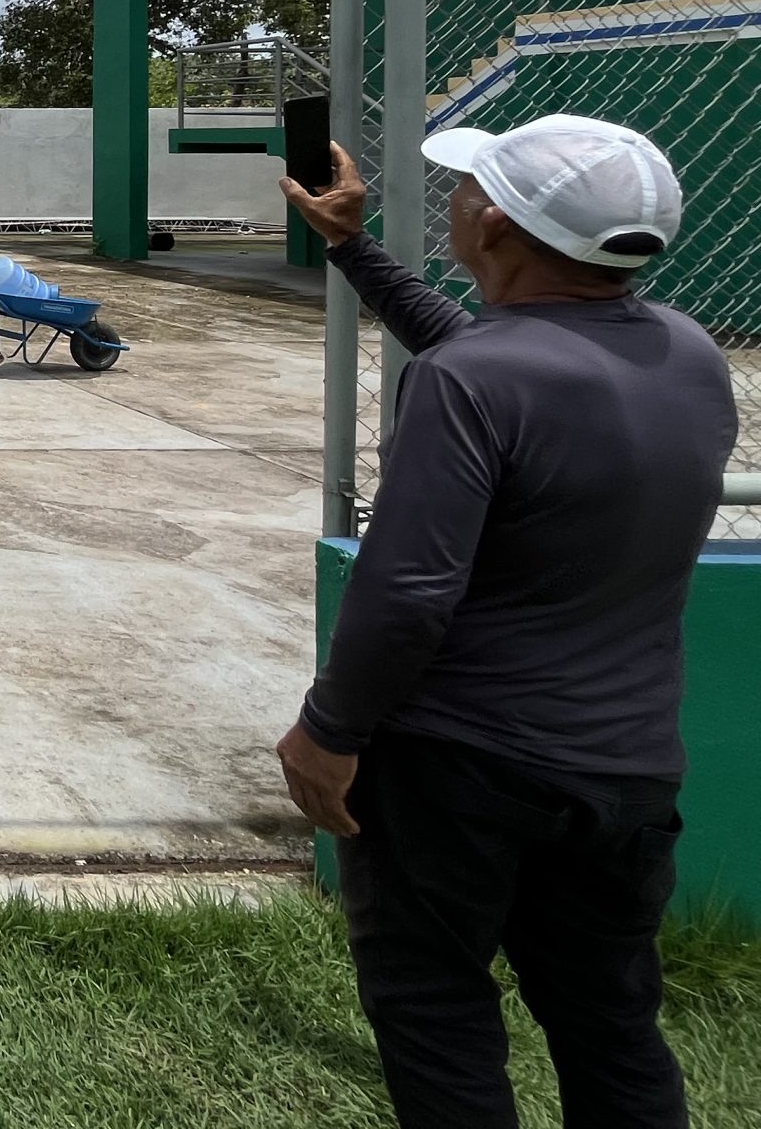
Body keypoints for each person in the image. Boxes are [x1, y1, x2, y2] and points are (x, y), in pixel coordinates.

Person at [276, 117, 733, 1129]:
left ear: (488, 220)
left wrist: (329, 730)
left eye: (466, 186)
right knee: (610, 1027)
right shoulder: (689, 357)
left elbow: (406, 594)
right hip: (622, 774)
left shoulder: (471, 382)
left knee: (436, 1009)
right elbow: (498, 354)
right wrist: (352, 248)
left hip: (460, 771)